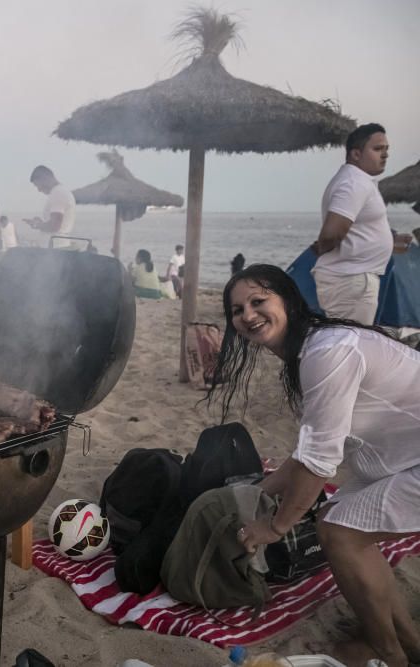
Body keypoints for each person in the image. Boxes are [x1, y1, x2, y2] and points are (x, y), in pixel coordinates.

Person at [209, 264, 420, 667]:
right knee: (343, 524)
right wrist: (260, 491)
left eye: (258, 301)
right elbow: (309, 449)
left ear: (287, 299)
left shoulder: (327, 353)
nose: (248, 315)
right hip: (404, 456)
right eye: (237, 311)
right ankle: (407, 642)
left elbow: (321, 463)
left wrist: (275, 527)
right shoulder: (311, 350)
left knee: (338, 532)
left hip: (412, 459)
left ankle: (386, 651)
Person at [311, 123, 392, 324]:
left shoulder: (356, 180)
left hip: (353, 279)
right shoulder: (353, 183)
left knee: (351, 343)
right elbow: (331, 233)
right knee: (350, 346)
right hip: (351, 280)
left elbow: (351, 229)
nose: (385, 155)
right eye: (377, 149)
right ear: (356, 154)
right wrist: (322, 247)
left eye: (386, 149)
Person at [24, 165, 76, 248]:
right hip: (57, 245)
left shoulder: (58, 193)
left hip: (55, 247)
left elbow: (54, 226)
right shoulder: (60, 192)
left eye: (38, 185)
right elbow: (55, 223)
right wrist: (41, 223)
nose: (39, 190)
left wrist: (37, 225)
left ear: (45, 178)